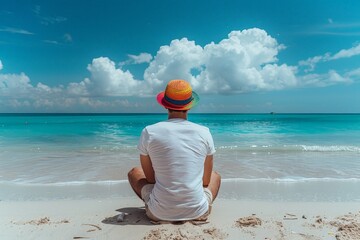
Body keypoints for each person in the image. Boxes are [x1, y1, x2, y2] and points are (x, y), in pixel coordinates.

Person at [128, 79, 221, 222]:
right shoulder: (204, 132)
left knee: (134, 172)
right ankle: (192, 207)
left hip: (158, 213)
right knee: (215, 176)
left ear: (165, 106)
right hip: (198, 212)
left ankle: (162, 205)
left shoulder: (149, 131)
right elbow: (206, 181)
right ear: (189, 106)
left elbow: (151, 179)